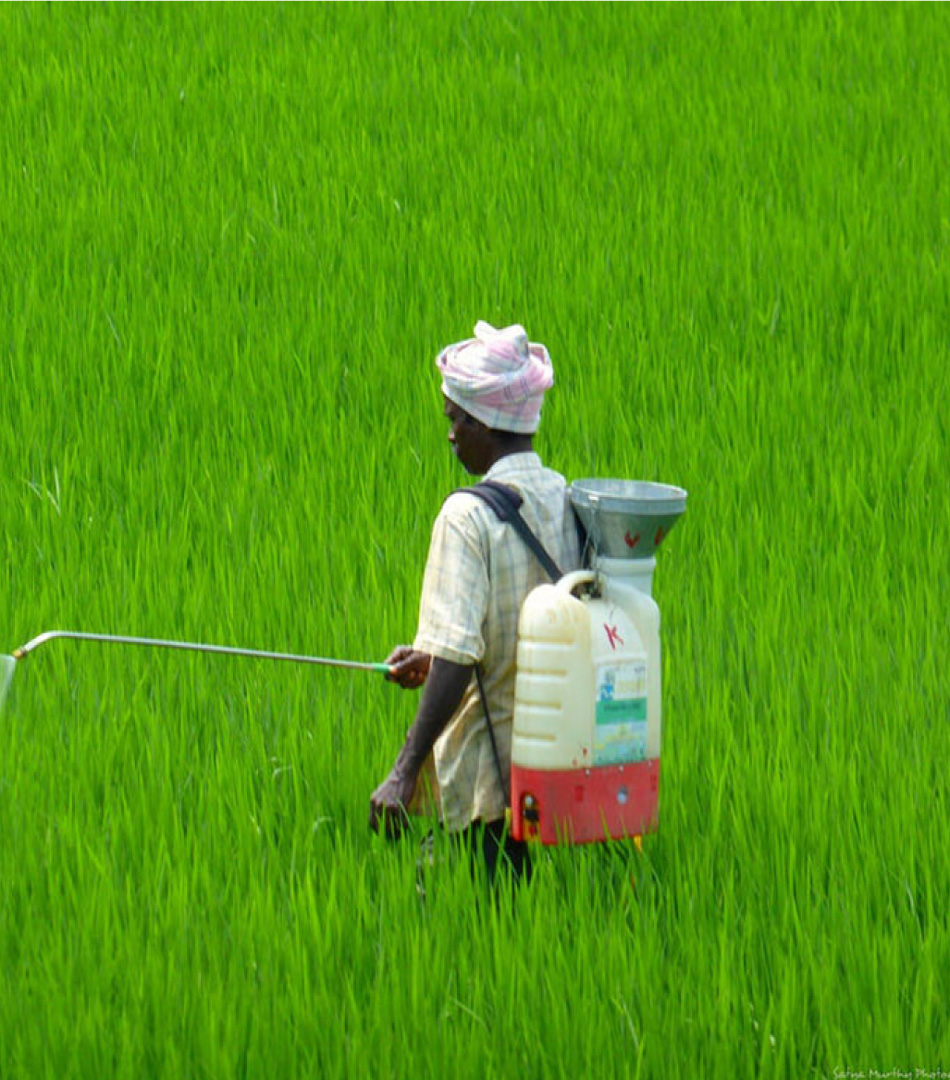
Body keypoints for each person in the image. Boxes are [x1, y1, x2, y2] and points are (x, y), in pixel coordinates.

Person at [368, 321, 581, 884]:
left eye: (455, 420)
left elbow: (461, 658)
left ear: (485, 422)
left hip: (491, 783)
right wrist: (432, 654)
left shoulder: (465, 517)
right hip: (562, 769)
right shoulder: (564, 496)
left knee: (477, 913)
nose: (450, 435)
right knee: (546, 912)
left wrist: (404, 772)